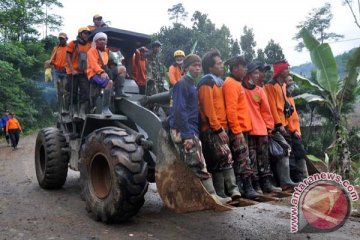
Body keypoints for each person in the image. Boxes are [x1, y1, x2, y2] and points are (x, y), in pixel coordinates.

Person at [167, 54, 231, 204]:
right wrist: (187, 135)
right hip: (183, 130)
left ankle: (199, 197)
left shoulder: (191, 85)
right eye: (194, 65)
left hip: (191, 129)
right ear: (186, 67)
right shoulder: (181, 84)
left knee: (195, 163)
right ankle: (212, 197)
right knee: (199, 163)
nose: (197, 68)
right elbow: (179, 111)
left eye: (199, 65)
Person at [197, 50, 241, 201]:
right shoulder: (206, 83)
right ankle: (225, 192)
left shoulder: (218, 82)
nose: (222, 66)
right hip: (212, 129)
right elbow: (208, 109)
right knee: (222, 157)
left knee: (223, 159)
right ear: (210, 67)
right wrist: (218, 129)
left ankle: (228, 192)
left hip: (221, 127)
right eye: (219, 63)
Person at [222, 56, 259, 199]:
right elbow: (231, 110)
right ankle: (247, 188)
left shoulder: (236, 83)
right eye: (243, 67)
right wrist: (237, 131)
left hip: (243, 128)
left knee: (243, 158)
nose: (245, 70)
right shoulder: (231, 83)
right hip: (238, 129)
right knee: (243, 159)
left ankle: (243, 188)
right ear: (235, 68)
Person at [242, 61, 282, 194]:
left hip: (261, 130)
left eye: (258, 73)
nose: (257, 75)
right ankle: (256, 185)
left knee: (263, 158)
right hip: (248, 130)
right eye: (255, 73)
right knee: (251, 159)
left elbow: (266, 110)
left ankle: (267, 184)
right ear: (248, 75)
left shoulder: (260, 90)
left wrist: (269, 126)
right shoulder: (240, 89)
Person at [264, 60, 297, 190]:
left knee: (283, 151)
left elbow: (284, 105)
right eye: (285, 69)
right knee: (282, 150)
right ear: (280, 71)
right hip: (276, 125)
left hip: (284, 123)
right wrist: (278, 124)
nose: (288, 70)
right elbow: (272, 106)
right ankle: (284, 181)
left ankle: (285, 180)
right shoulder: (270, 86)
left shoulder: (282, 85)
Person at [285, 75, 308, 182]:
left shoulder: (290, 98)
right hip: (290, 131)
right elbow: (288, 119)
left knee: (300, 153)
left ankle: (304, 177)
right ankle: (298, 178)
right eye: (289, 81)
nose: (292, 82)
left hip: (296, 131)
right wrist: (293, 130)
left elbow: (295, 118)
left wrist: (297, 130)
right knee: (292, 156)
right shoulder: (283, 98)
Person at [66, 27, 92, 118]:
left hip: (84, 72)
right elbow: (68, 57)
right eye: (85, 33)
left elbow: (90, 58)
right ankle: (73, 111)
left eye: (88, 33)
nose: (87, 35)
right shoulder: (72, 44)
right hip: (72, 72)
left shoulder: (89, 45)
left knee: (85, 91)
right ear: (80, 34)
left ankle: (82, 111)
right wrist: (72, 70)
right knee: (72, 91)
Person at [87, 32, 113, 117]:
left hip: (101, 73)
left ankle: (108, 98)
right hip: (93, 74)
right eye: (100, 40)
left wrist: (106, 73)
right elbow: (93, 63)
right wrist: (101, 72)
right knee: (109, 83)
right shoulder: (92, 51)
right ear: (96, 41)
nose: (102, 41)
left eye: (104, 39)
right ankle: (105, 108)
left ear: (106, 41)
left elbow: (105, 65)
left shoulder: (105, 53)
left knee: (111, 81)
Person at [50, 33, 68, 109]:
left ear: (66, 39)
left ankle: (66, 108)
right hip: (57, 71)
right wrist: (55, 63)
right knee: (57, 90)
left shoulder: (69, 48)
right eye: (60, 39)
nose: (61, 40)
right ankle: (60, 108)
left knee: (65, 90)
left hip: (65, 72)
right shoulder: (56, 48)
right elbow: (52, 59)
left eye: (62, 39)